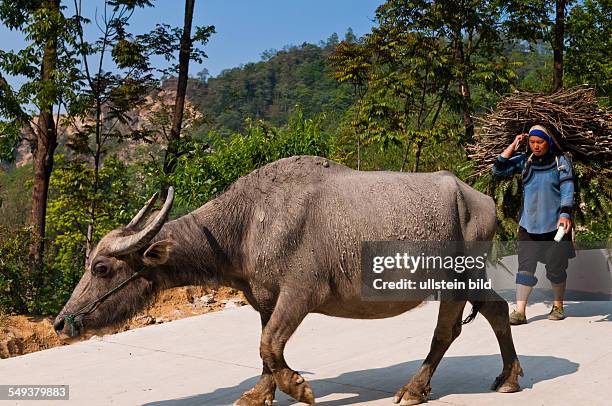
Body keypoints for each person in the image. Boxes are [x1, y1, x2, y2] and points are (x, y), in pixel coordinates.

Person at [492, 125, 575, 325]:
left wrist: (565, 214)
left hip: (555, 226)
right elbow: (498, 169)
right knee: (525, 267)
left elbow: (567, 187)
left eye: (540, 142)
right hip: (528, 225)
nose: (536, 146)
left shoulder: (560, 162)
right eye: (532, 143)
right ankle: (520, 311)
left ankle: (558, 305)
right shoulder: (525, 162)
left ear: (548, 142)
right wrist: (513, 145)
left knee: (556, 269)